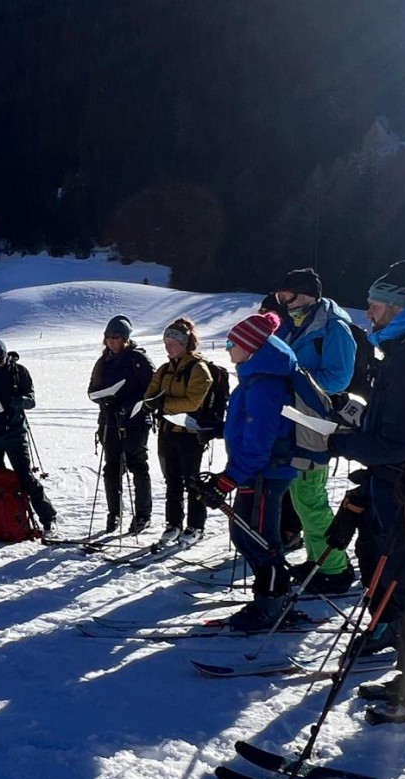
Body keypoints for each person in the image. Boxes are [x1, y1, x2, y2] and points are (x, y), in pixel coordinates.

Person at [329, 260, 405, 724]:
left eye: (375, 304)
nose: (368, 313)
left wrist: (338, 442)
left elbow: (402, 441)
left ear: (400, 306)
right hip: (397, 483)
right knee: (401, 581)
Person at [210, 311, 300, 628]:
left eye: (231, 344)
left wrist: (228, 479)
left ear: (249, 347)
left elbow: (259, 443)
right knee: (246, 535)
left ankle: (272, 606)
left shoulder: (264, 385)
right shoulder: (254, 378)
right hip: (254, 472)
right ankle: (272, 599)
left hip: (265, 473)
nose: (227, 350)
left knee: (261, 540)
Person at [275, 267, 358, 592]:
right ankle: (317, 560)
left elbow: (338, 378)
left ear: (308, 294)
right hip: (294, 420)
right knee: (300, 498)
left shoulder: (334, 328)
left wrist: (296, 382)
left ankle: (335, 570)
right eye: (281, 297)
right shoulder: (296, 325)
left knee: (310, 497)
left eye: (289, 296)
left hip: (315, 423)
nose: (284, 303)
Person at [0, 338, 57, 534]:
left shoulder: (19, 372)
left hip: (15, 433)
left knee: (25, 476)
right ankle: (1, 519)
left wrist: (13, 401)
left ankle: (48, 518)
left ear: (5, 357)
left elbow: (31, 401)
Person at [144, 317, 213, 544]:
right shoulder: (165, 369)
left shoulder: (198, 369)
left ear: (185, 344)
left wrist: (163, 404)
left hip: (190, 434)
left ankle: (196, 525)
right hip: (167, 431)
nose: (168, 347)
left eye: (173, 343)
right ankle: (173, 523)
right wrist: (153, 403)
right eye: (166, 343)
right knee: (172, 480)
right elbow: (150, 395)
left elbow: (193, 402)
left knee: (193, 481)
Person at [87, 316, 154, 535]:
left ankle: (143, 514)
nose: (111, 341)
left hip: (135, 421)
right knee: (111, 469)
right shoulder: (103, 362)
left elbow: (152, 390)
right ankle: (114, 513)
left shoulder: (138, 359)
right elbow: (92, 390)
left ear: (125, 338)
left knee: (137, 465)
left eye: (115, 337)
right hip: (109, 421)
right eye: (108, 336)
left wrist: (128, 404)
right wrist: (104, 399)